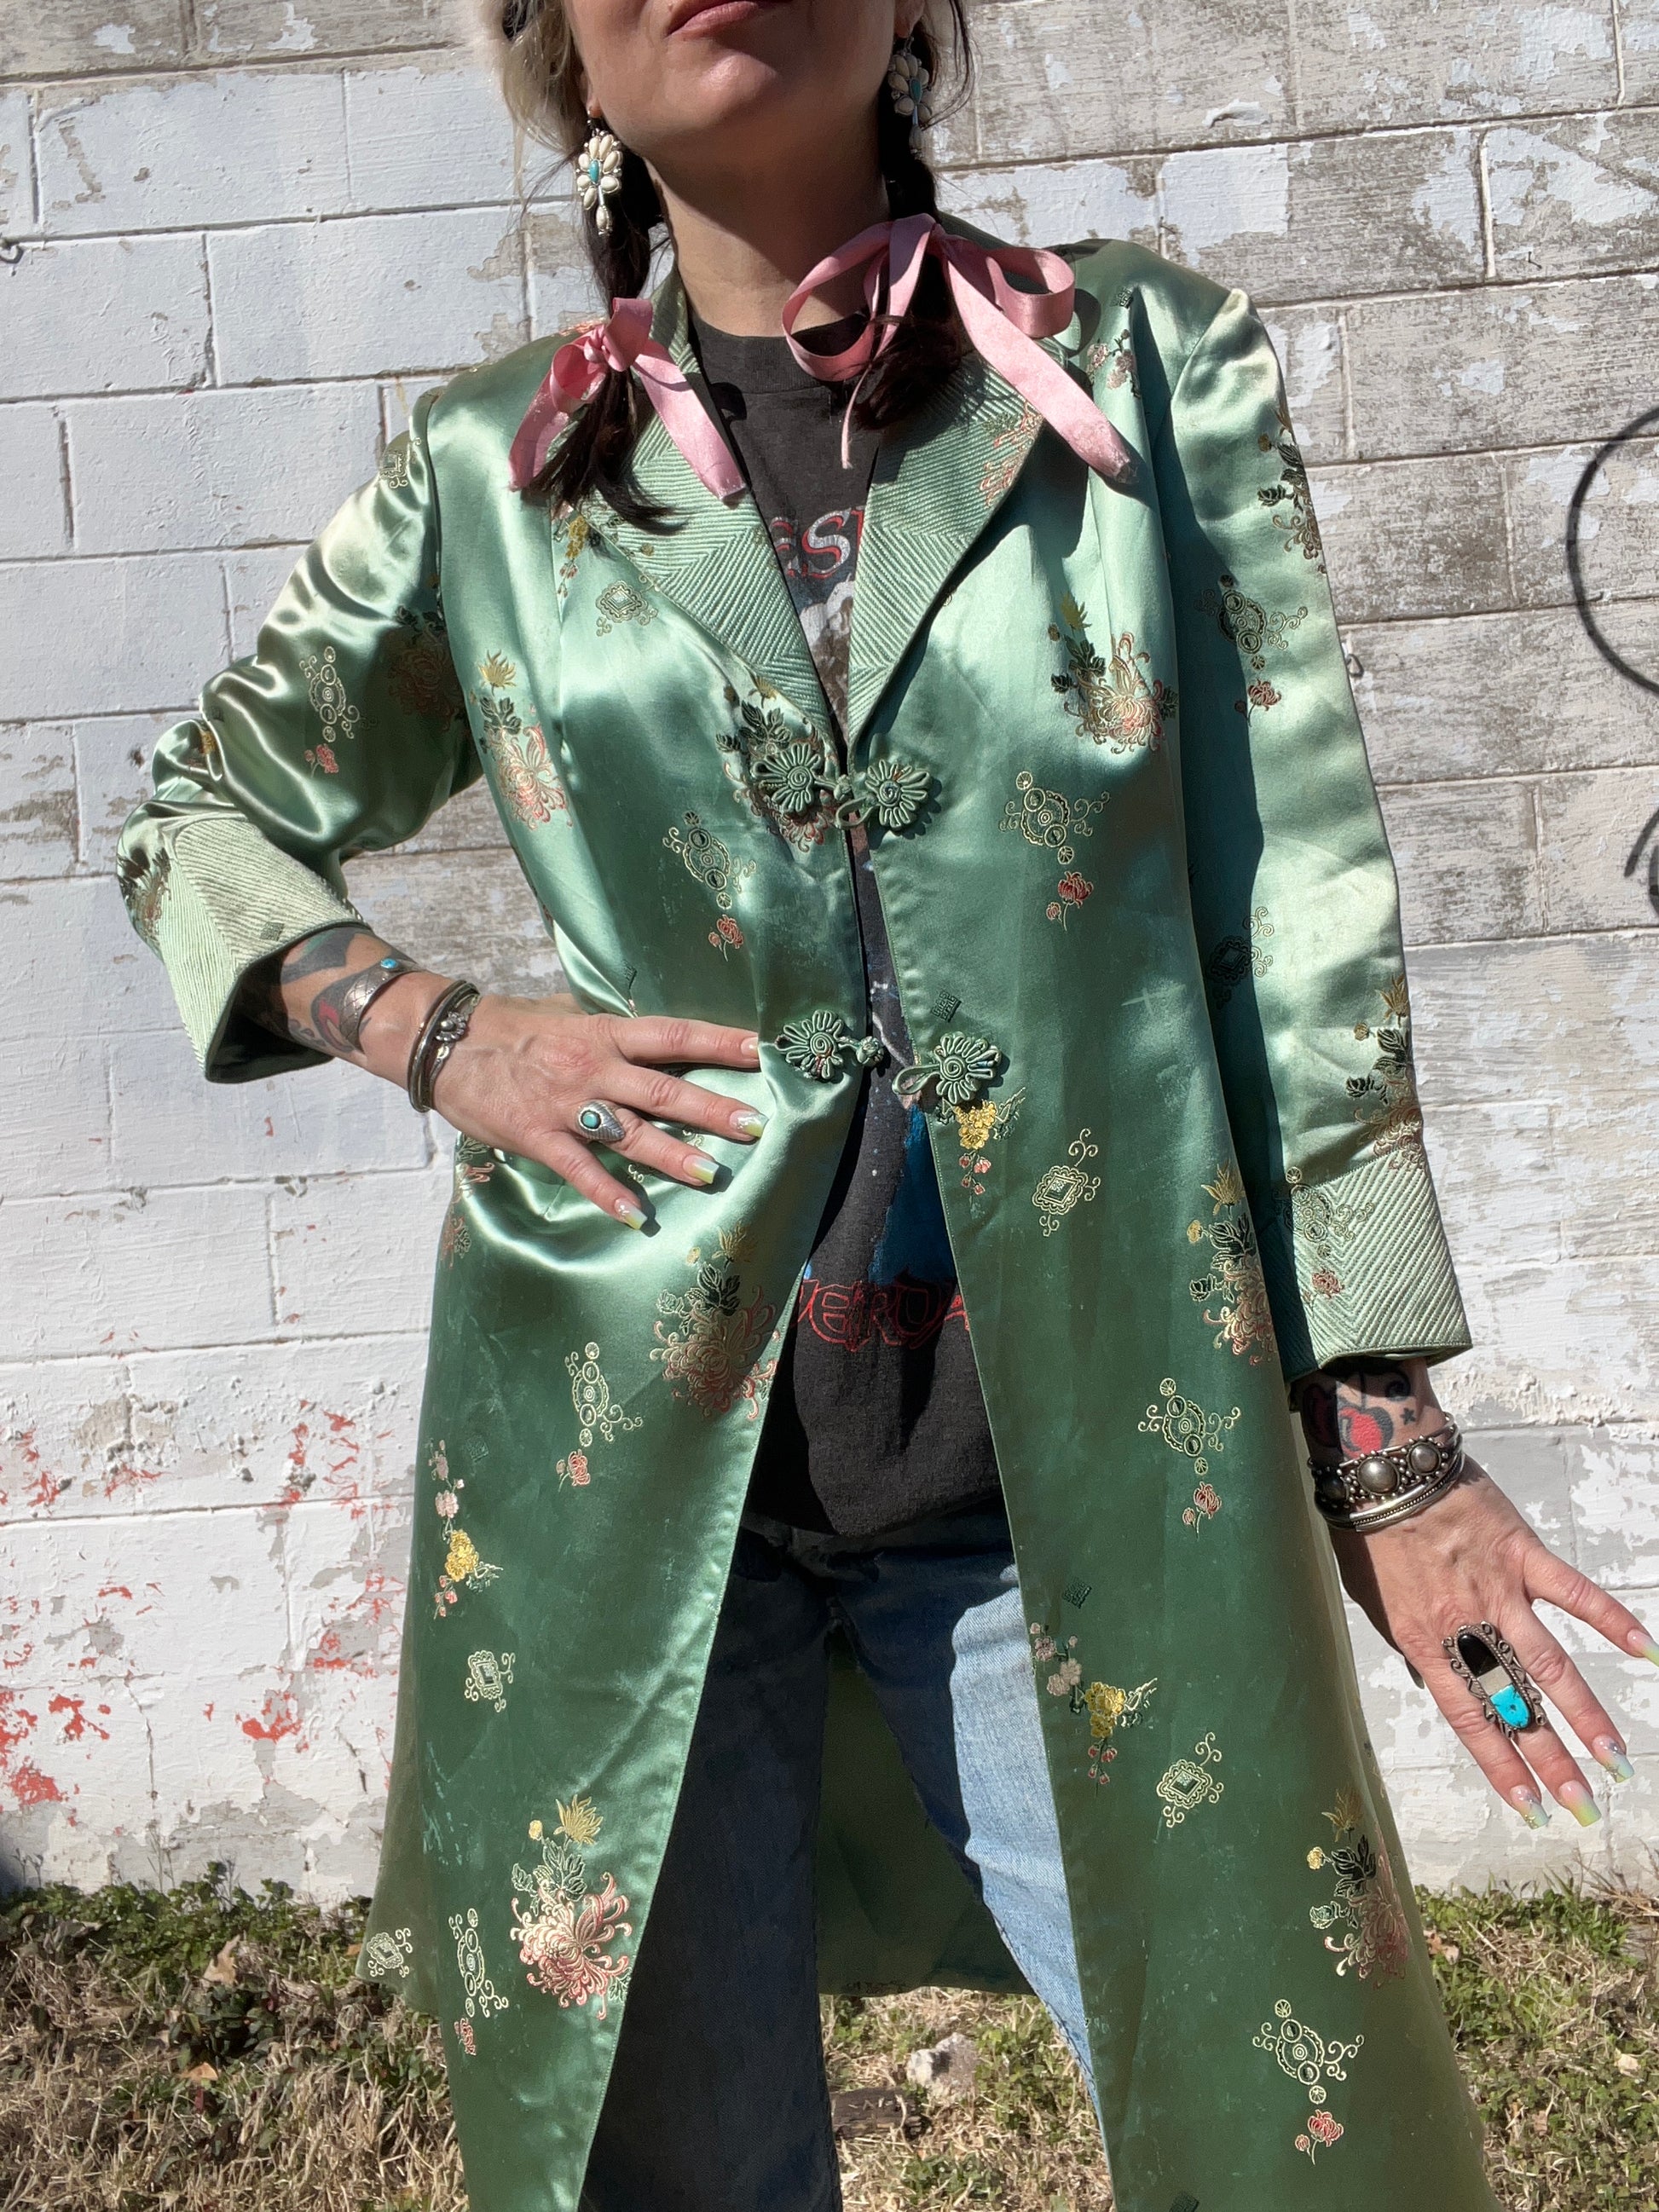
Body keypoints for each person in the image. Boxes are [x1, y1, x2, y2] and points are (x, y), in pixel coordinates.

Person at [115, 4, 1654, 2208]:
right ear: (560, 57)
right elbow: (202, 808)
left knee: (1291, 2130)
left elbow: (1291, 912)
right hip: (632, 1500)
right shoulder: (493, 473)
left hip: (1077, 1476)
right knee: (667, 2165)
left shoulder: (1140, 372)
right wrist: (444, 1031)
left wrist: (1384, 1436)